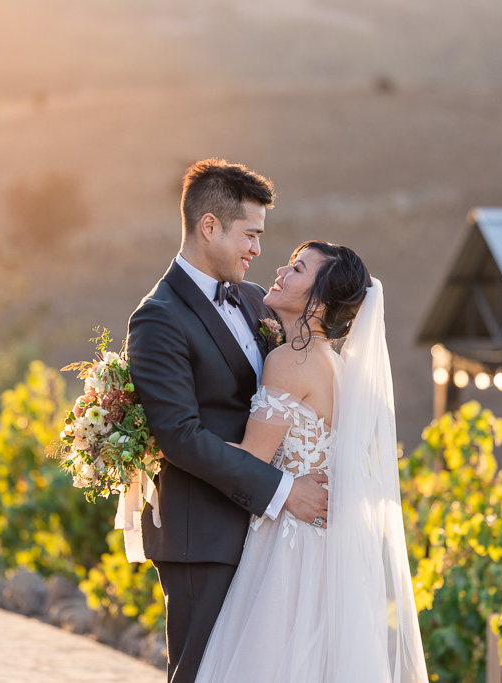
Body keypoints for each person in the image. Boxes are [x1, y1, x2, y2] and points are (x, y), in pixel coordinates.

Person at [126, 159, 330, 683]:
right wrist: (285, 489)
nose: (258, 251)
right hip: (204, 535)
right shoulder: (159, 317)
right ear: (208, 226)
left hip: (271, 540)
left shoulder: (253, 299)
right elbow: (180, 437)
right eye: (251, 235)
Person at [195, 241, 430, 682]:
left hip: (290, 547)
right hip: (324, 548)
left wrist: (165, 433)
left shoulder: (291, 360)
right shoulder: (336, 368)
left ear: (318, 300)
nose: (281, 271)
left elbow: (250, 460)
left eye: (298, 268)